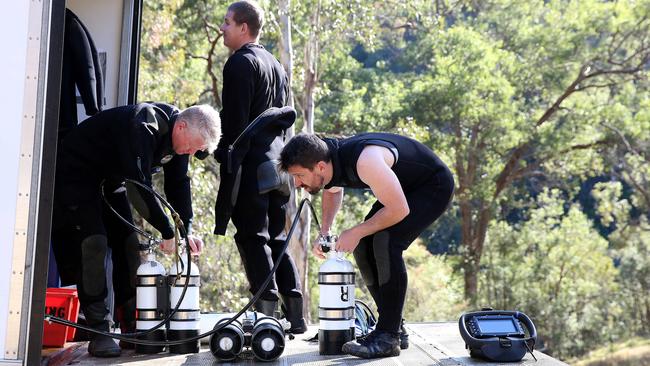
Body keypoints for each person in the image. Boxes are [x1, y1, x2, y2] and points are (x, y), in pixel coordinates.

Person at [51, 103, 220, 357]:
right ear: (182, 125)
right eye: (193, 145)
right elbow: (139, 189)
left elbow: (178, 186)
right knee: (94, 241)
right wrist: (166, 232)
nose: (192, 152)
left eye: (197, 150)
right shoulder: (145, 124)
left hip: (109, 179)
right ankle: (99, 330)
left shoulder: (180, 141)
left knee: (129, 242)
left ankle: (133, 325)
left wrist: (184, 231)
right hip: (76, 172)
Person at [280, 133, 454, 359]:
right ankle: (392, 327)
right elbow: (333, 190)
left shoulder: (366, 161)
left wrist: (357, 231)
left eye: (299, 175)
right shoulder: (328, 160)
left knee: (386, 241)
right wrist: (325, 232)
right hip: (404, 189)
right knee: (364, 245)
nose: (297, 183)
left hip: (432, 185)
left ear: (320, 167)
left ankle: (388, 336)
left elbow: (399, 210)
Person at [213, 0, 307, 334]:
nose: (222, 27)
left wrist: (218, 152)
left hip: (252, 168)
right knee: (279, 239)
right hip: (281, 169)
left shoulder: (240, 64)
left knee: (253, 238)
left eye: (227, 22)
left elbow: (234, 124)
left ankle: (267, 316)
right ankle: (296, 315)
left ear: (243, 27)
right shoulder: (275, 65)